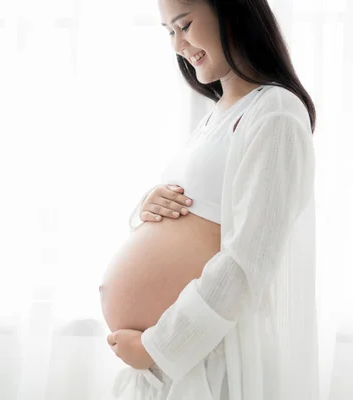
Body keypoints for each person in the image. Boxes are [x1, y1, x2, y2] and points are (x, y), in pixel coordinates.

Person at [103, 0, 318, 399]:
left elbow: (249, 262)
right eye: (169, 31)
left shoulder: (275, 112)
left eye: (184, 25)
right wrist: (147, 207)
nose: (178, 44)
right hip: (176, 367)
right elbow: (195, 218)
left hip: (206, 359)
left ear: (232, 12)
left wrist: (159, 348)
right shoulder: (215, 115)